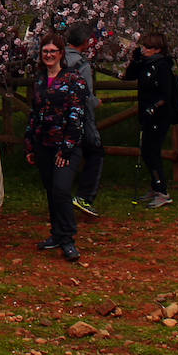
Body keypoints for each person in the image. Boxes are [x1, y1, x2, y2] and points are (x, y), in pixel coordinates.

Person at [24, 32, 87, 262]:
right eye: (45, 51)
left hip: (65, 145)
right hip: (43, 144)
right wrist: (30, 144)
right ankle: (56, 234)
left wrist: (67, 147)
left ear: (61, 53)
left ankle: (68, 238)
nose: (49, 55)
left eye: (53, 51)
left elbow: (77, 114)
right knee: (51, 190)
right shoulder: (40, 79)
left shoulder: (73, 79)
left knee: (61, 189)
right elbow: (34, 112)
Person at [123, 31, 178, 209]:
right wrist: (135, 59)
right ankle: (155, 187)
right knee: (147, 151)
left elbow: (165, 94)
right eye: (143, 46)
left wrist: (153, 108)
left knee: (151, 151)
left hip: (159, 116)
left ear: (157, 49)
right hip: (146, 114)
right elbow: (128, 76)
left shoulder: (162, 66)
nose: (144, 49)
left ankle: (162, 191)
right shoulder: (145, 64)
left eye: (147, 47)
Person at [65, 21, 104, 218]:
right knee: (95, 152)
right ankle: (84, 197)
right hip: (78, 117)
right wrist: (96, 103)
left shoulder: (55, 57)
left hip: (56, 117)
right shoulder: (82, 64)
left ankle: (60, 199)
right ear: (86, 42)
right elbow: (85, 96)